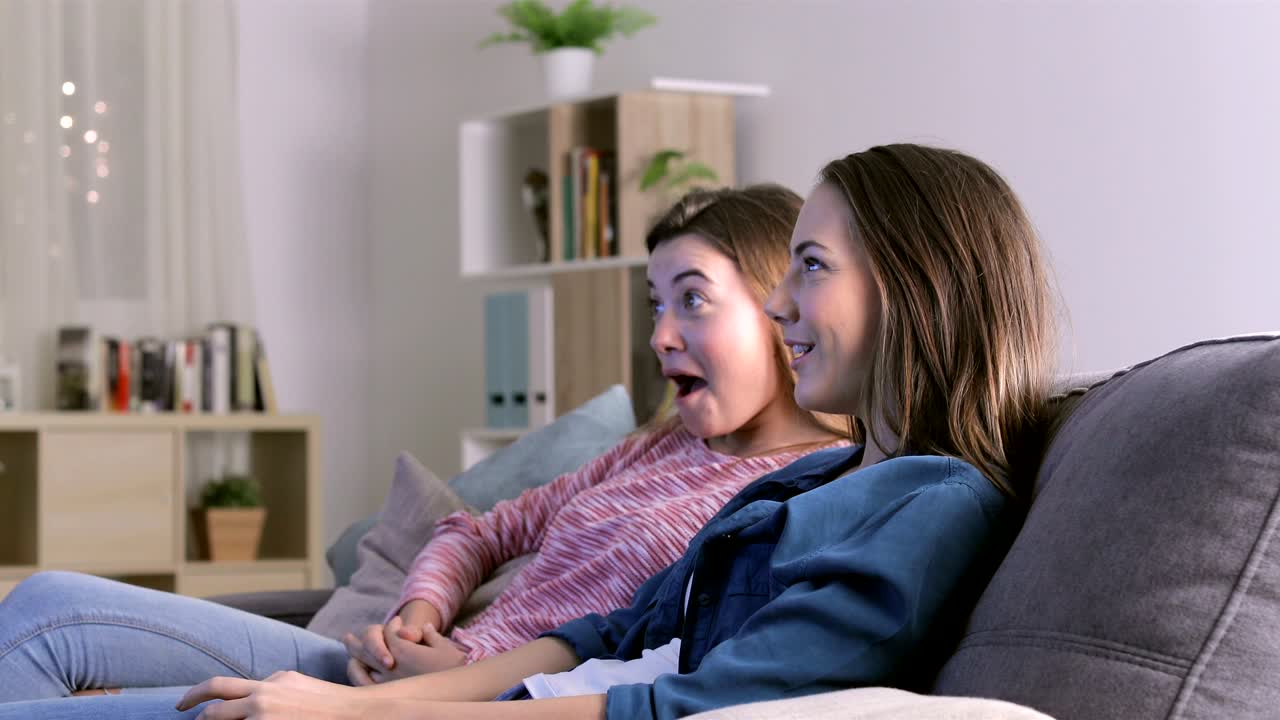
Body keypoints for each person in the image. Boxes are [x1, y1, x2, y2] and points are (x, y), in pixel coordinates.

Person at [0, 186, 847, 707]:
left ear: (777, 306)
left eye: (692, 301)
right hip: (386, 669)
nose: (661, 335)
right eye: (654, 304)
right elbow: (482, 528)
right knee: (43, 610)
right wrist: (419, 610)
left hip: (452, 702)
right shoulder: (656, 446)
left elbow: (628, 657)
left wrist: (463, 680)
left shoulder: (800, 496)